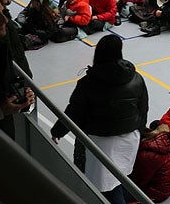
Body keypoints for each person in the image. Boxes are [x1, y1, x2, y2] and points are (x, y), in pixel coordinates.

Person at [50, 34, 149, 204]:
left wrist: (57, 131)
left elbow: (74, 112)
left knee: (107, 187)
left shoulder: (87, 83)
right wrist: (138, 130)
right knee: (121, 176)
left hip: (101, 143)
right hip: (130, 138)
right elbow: (143, 108)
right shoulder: (136, 78)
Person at [0, 0, 35, 140]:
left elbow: (8, 82)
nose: (4, 20)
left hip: (6, 131)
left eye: (3, 13)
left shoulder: (1, 47)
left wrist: (22, 96)